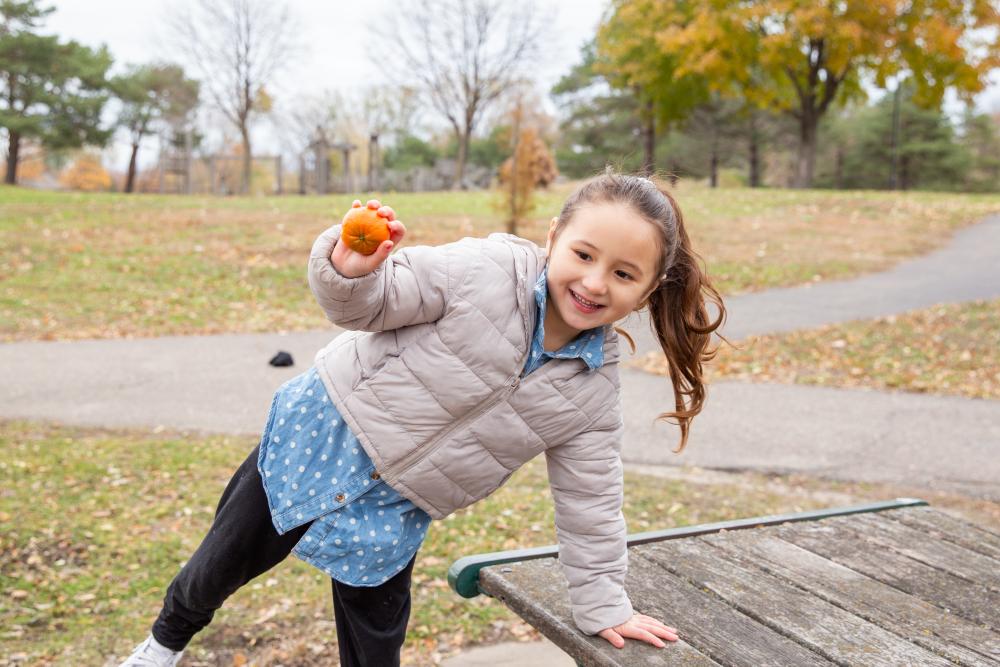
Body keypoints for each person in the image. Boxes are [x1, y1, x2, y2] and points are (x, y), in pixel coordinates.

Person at [120, 170, 726, 667]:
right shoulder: (484, 270)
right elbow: (374, 303)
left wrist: (604, 607)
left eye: (623, 274)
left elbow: (591, 504)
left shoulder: (591, 392)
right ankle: (163, 644)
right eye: (583, 255)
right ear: (553, 237)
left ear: (648, 290)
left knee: (377, 643)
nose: (594, 283)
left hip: (398, 503)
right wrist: (353, 270)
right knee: (218, 566)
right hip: (325, 433)